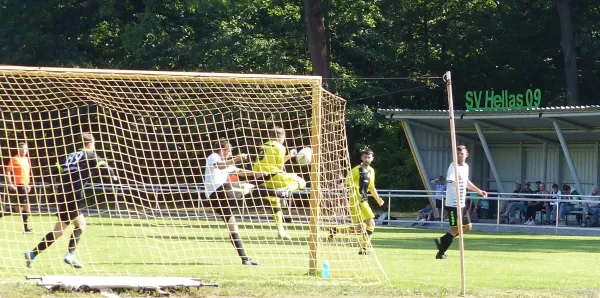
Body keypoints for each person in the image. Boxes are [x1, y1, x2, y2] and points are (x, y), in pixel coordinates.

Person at [24, 133, 117, 268]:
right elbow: (105, 167)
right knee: (81, 225)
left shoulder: (70, 156)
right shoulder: (90, 155)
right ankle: (70, 255)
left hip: (63, 195)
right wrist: (114, 177)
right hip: (74, 195)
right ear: (90, 144)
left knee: (58, 231)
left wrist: (52, 189)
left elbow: (54, 170)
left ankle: (32, 253)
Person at [201, 139, 269, 266]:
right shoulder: (213, 156)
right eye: (229, 150)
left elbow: (238, 171)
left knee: (233, 226)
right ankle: (280, 193)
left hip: (218, 198)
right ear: (222, 149)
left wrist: (257, 173)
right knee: (247, 187)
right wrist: (237, 158)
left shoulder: (226, 162)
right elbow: (220, 165)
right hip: (219, 192)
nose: (230, 153)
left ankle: (245, 259)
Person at [252, 127, 306, 240]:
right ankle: (286, 190)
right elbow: (280, 166)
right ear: (281, 137)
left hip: (261, 179)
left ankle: (281, 231)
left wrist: (290, 156)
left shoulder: (263, 145)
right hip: (273, 175)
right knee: (301, 181)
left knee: (275, 204)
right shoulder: (280, 147)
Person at [434, 145, 487, 260]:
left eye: (461, 153)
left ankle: (442, 240)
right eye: (457, 153)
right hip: (453, 203)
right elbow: (450, 180)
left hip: (461, 203)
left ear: (466, 155)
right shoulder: (453, 166)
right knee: (455, 228)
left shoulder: (466, 167)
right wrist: (454, 181)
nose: (459, 156)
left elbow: (466, 181)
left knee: (468, 227)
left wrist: (479, 191)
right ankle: (441, 253)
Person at [330, 148, 384, 255]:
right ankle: (363, 249)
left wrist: (378, 199)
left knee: (358, 229)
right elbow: (346, 186)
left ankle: (336, 230)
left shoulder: (371, 171)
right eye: (365, 157)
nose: (367, 159)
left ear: (372, 158)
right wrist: (345, 201)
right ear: (361, 158)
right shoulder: (355, 170)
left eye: (369, 157)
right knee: (371, 223)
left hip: (363, 200)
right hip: (356, 200)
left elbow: (371, 187)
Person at [5, 142, 34, 233]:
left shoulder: (26, 159)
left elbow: (26, 173)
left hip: (24, 186)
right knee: (26, 207)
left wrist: (28, 185)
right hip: (19, 186)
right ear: (18, 149)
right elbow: (8, 171)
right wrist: (10, 183)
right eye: (22, 149)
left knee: (19, 208)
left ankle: (2, 213)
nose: (24, 151)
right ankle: (25, 229)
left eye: (25, 149)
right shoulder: (14, 159)